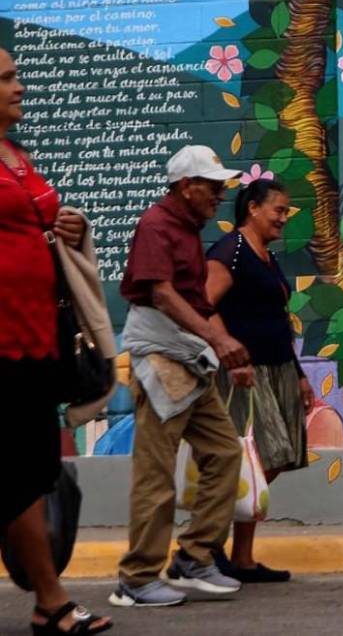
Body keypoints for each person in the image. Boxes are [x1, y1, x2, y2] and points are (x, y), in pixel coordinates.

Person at [0, 48, 113, 634]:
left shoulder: (16, 156)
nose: (19, 86)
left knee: (34, 468)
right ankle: (51, 601)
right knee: (20, 471)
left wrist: (69, 226)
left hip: (38, 335)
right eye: (6, 78)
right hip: (2, 343)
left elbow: (34, 223)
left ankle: (49, 599)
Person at [108, 146, 249, 608]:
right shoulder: (156, 225)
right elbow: (163, 295)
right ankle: (137, 577)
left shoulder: (187, 228)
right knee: (155, 473)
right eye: (211, 187)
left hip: (187, 358)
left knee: (225, 452)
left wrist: (228, 351)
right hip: (162, 359)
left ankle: (194, 556)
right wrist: (219, 340)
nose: (220, 194)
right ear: (185, 187)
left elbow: (195, 299)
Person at [205, 178, 314, 583]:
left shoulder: (266, 256)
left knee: (274, 460)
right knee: (258, 459)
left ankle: (243, 558)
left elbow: (278, 322)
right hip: (246, 375)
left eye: (286, 212)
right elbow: (204, 304)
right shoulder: (230, 252)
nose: (284, 219)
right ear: (253, 208)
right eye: (279, 210)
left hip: (279, 368)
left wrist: (300, 374)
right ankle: (205, 547)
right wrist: (228, 350)